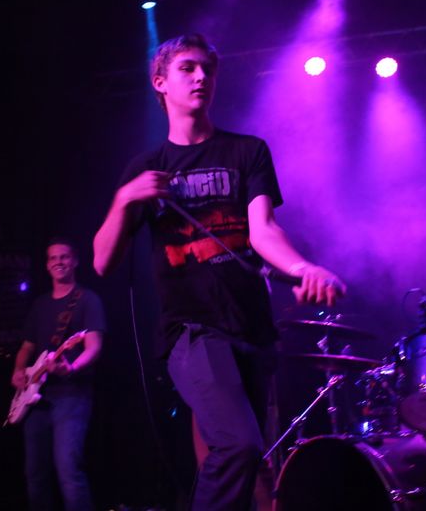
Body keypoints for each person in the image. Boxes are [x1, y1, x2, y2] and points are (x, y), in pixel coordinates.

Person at [93, 33, 345, 510]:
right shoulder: (147, 167)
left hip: (252, 328)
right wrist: (125, 198)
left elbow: (264, 231)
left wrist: (303, 267)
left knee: (243, 458)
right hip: (192, 329)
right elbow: (103, 261)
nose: (201, 77)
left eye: (208, 69)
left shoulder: (247, 151)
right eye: (188, 68)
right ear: (160, 82)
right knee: (239, 445)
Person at [11, 238, 106, 511]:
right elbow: (27, 347)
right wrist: (18, 371)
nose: (58, 262)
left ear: (75, 261)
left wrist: (71, 368)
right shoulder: (40, 304)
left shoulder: (88, 299)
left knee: (68, 469)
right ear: (47, 265)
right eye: (52, 258)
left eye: (64, 257)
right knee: (34, 474)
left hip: (72, 396)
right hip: (36, 399)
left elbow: (94, 347)